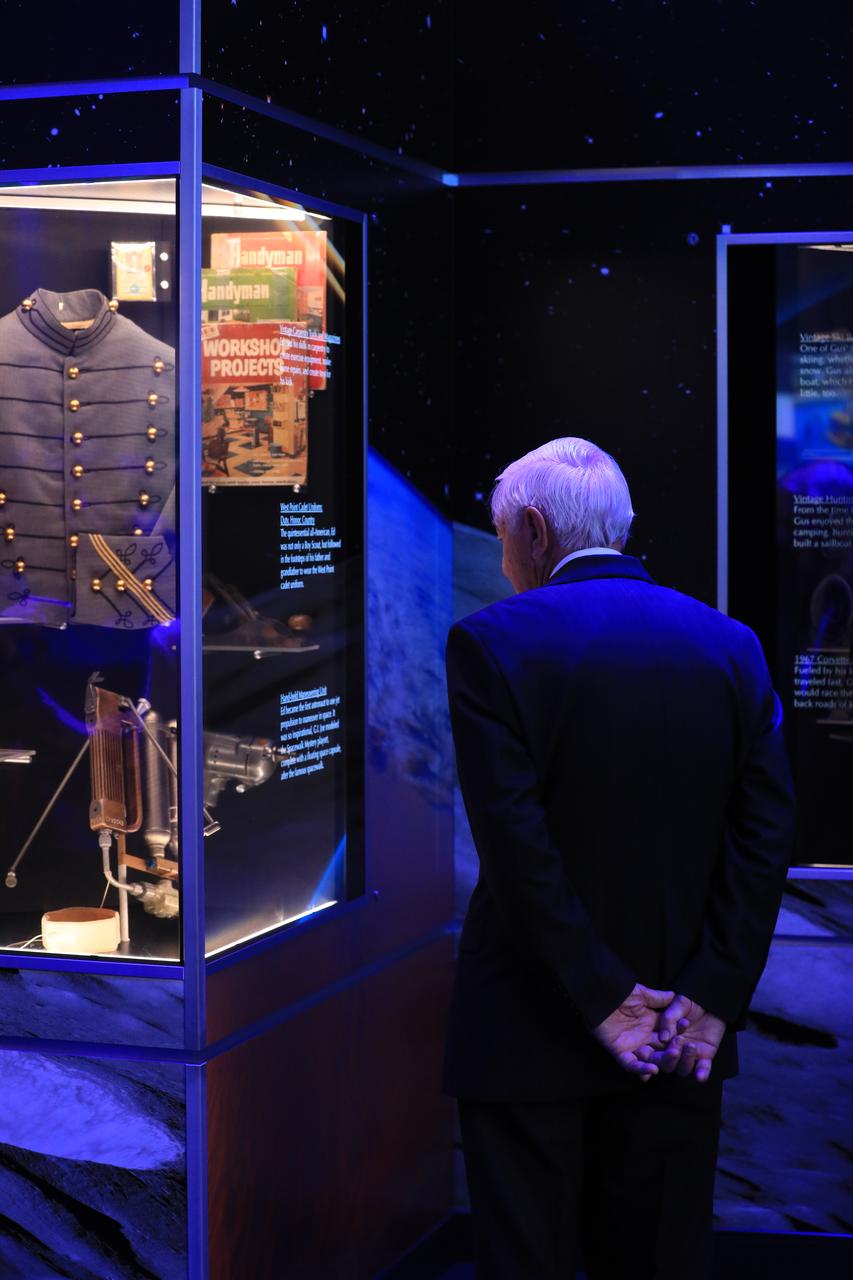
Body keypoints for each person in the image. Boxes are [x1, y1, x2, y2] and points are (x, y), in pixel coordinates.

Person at [444, 437, 795, 1279]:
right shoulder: (729, 643)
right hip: (682, 1032)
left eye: (499, 537)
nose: (502, 559)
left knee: (525, 1259)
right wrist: (710, 999)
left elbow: (517, 845)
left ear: (530, 530)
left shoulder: (491, 643)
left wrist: (605, 1002)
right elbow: (764, 837)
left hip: (529, 1025)